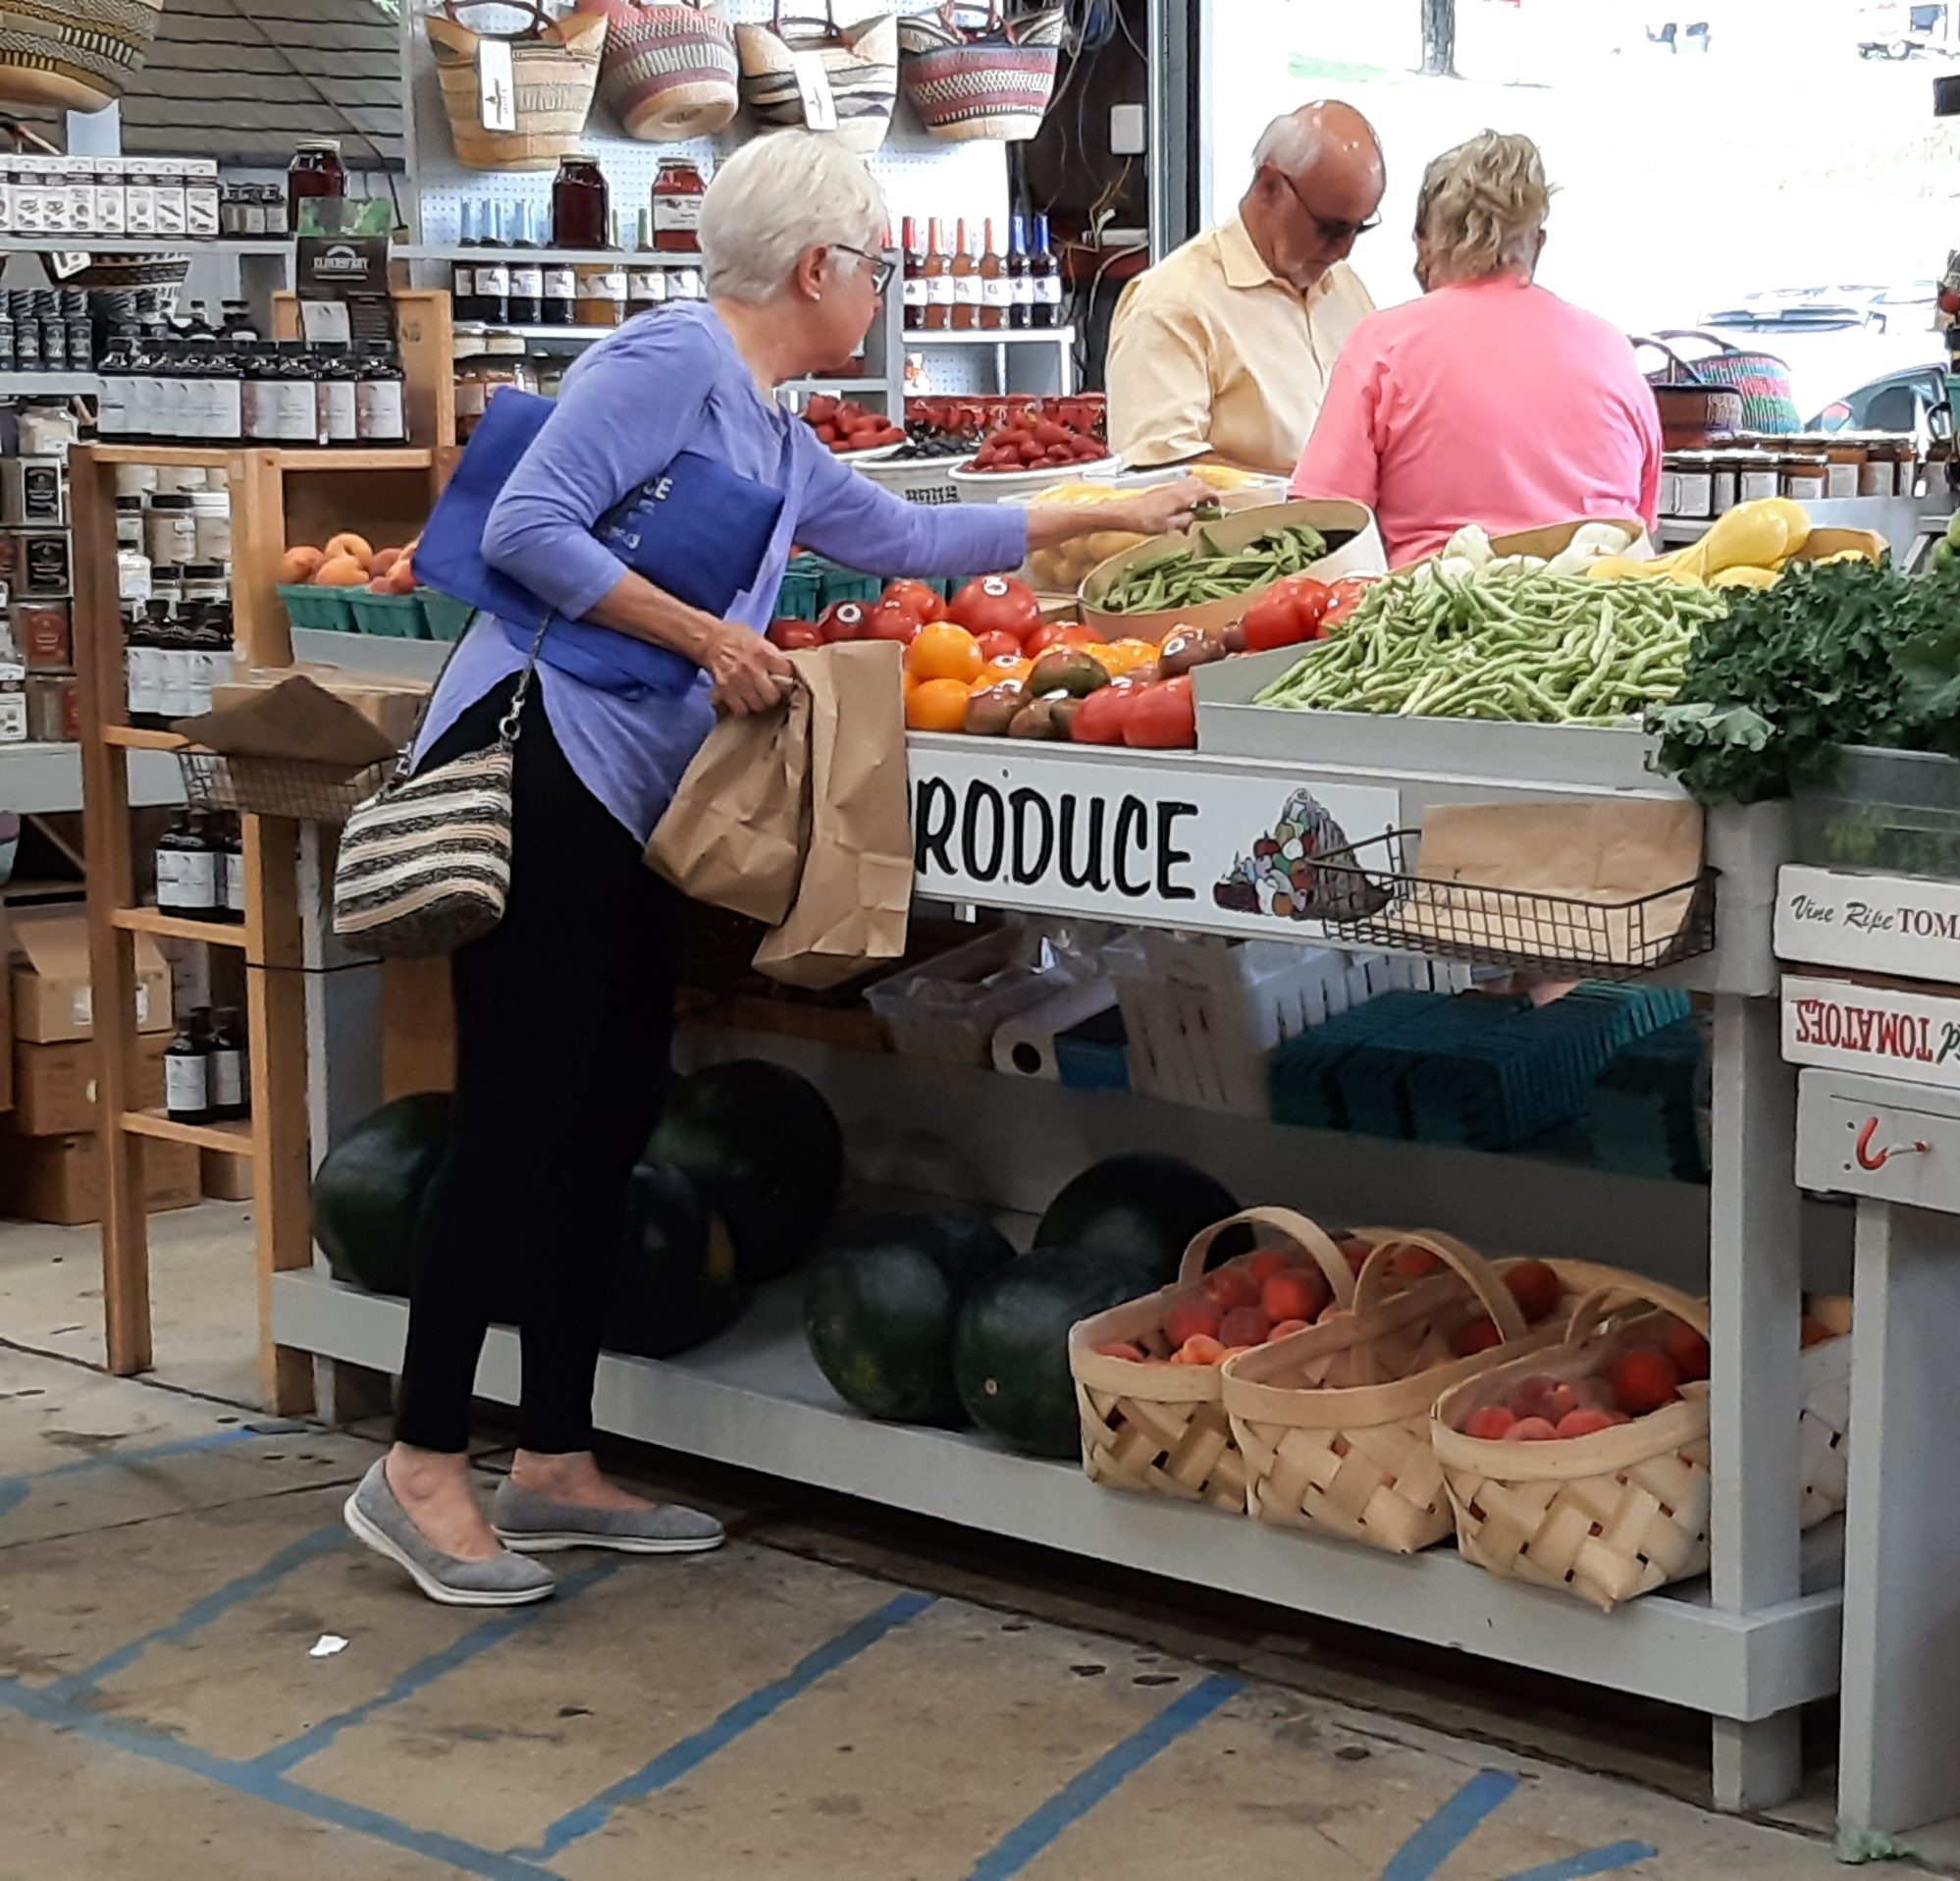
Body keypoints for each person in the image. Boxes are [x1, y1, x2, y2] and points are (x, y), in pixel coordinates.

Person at [345, 131, 1202, 1609]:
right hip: (544, 764)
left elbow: (907, 532)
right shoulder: (665, 365)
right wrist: (709, 640)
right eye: (875, 267)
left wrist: (1111, 512)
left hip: (631, 801)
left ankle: (552, 1459)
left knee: (609, 1110)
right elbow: (533, 527)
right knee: (517, 1120)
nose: (881, 292)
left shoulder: (767, 421)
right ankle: (421, 1466)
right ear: (819, 269)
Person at [1291, 132, 1662, 568]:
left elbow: (1322, 525)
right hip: (1610, 606)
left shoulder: (1384, 344)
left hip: (1445, 616)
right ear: (1537, 245)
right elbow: (1641, 512)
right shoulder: (1609, 346)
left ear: (1422, 245)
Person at [1106, 100, 1384, 475]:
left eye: (1359, 229)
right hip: (1243, 532)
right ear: (1269, 186)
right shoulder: (1172, 301)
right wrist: (1309, 499)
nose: (1345, 249)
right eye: (1330, 228)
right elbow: (1157, 469)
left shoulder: (1346, 290)